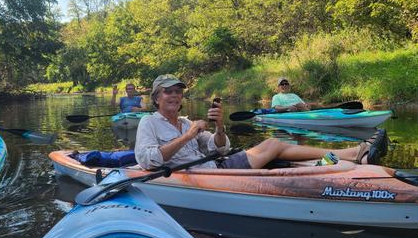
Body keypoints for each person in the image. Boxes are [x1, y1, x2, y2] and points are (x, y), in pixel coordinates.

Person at [134, 74, 387, 171]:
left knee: (276, 145)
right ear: (156, 98)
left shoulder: (185, 121)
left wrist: (219, 127)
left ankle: (347, 157)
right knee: (274, 144)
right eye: (168, 92)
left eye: (178, 92)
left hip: (216, 164)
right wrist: (188, 136)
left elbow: (218, 148)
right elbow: (148, 160)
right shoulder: (149, 122)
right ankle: (353, 153)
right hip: (207, 175)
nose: (174, 95)